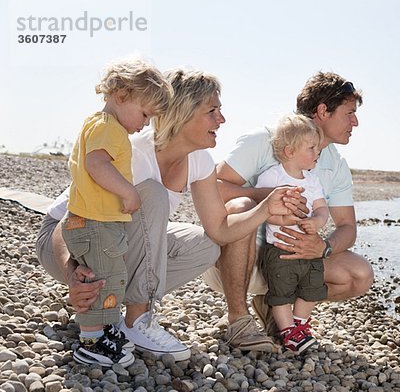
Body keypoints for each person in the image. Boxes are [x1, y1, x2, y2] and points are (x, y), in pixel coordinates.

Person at [36, 68, 301, 361]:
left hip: (115, 244)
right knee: (153, 194)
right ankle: (137, 317)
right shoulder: (133, 152)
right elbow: (68, 220)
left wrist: (264, 209)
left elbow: (220, 229)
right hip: (63, 242)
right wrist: (71, 273)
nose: (221, 120)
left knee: (206, 246)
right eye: (212, 111)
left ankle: (122, 309)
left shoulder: (199, 160)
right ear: (183, 112)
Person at [204, 71, 374, 342]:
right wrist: (268, 197)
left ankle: (278, 309)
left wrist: (324, 247)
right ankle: (238, 319)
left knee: (360, 275)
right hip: (233, 261)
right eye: (349, 113)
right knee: (241, 205)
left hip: (292, 265)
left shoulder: (336, 166)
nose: (355, 122)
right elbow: (214, 187)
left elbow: (347, 227)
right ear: (323, 110)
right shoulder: (264, 140)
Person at [62, 58, 172, 367]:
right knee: (103, 279)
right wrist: (128, 191)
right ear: (122, 95)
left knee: (108, 276)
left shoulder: (99, 125)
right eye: (145, 113)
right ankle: (92, 341)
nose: (146, 124)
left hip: (94, 223)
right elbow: (96, 165)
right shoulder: (108, 128)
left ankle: (102, 329)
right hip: (97, 224)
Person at [255, 114, 329, 352]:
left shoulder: (312, 179)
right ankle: (288, 333)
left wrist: (317, 222)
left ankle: (300, 325)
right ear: (289, 151)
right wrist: (284, 219)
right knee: (282, 292)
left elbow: (321, 208)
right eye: (311, 148)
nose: (317, 152)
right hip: (280, 250)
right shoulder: (273, 176)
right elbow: (261, 211)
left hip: (309, 250)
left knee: (313, 288)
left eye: (317, 147)